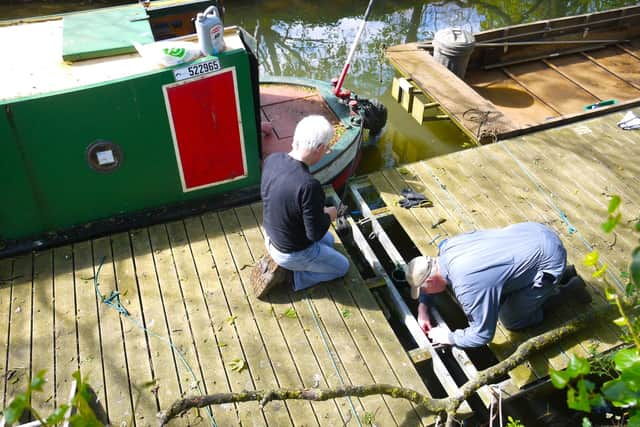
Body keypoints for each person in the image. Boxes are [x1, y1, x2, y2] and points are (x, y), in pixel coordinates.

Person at [405, 222, 591, 348]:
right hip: (533, 231)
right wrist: (423, 306)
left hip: (548, 261)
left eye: (422, 289)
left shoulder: (467, 286)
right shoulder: (448, 248)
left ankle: (569, 289)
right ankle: (565, 273)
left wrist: (449, 337)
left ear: (429, 281)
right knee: (504, 290)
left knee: (511, 319)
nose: (423, 292)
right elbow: (432, 280)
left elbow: (482, 335)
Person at [251, 115, 350, 299]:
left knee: (329, 241)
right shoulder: (309, 185)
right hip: (290, 253)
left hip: (271, 236)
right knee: (342, 267)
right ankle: (293, 277)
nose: (326, 151)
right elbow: (314, 234)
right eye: (327, 148)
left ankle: (290, 266)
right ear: (319, 148)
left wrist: (319, 213)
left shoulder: (272, 159)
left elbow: (287, 202)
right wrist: (330, 214)